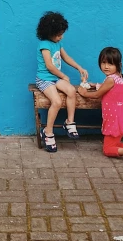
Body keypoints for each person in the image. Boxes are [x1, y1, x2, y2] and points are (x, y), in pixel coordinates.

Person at [78, 47, 123, 164]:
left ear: (118, 64)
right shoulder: (119, 76)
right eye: (103, 62)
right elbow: (109, 89)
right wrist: (94, 84)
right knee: (115, 143)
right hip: (120, 116)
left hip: (114, 119)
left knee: (107, 149)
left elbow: (98, 95)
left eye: (110, 63)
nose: (106, 66)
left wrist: (84, 93)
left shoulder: (110, 80)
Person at [35, 11, 88, 153]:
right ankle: (48, 132)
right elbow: (49, 66)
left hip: (55, 78)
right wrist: (63, 76)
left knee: (71, 91)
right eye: (58, 34)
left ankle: (69, 122)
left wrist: (79, 67)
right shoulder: (44, 45)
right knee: (57, 102)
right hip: (45, 79)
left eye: (62, 34)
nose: (61, 37)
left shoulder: (58, 44)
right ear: (48, 32)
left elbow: (66, 57)